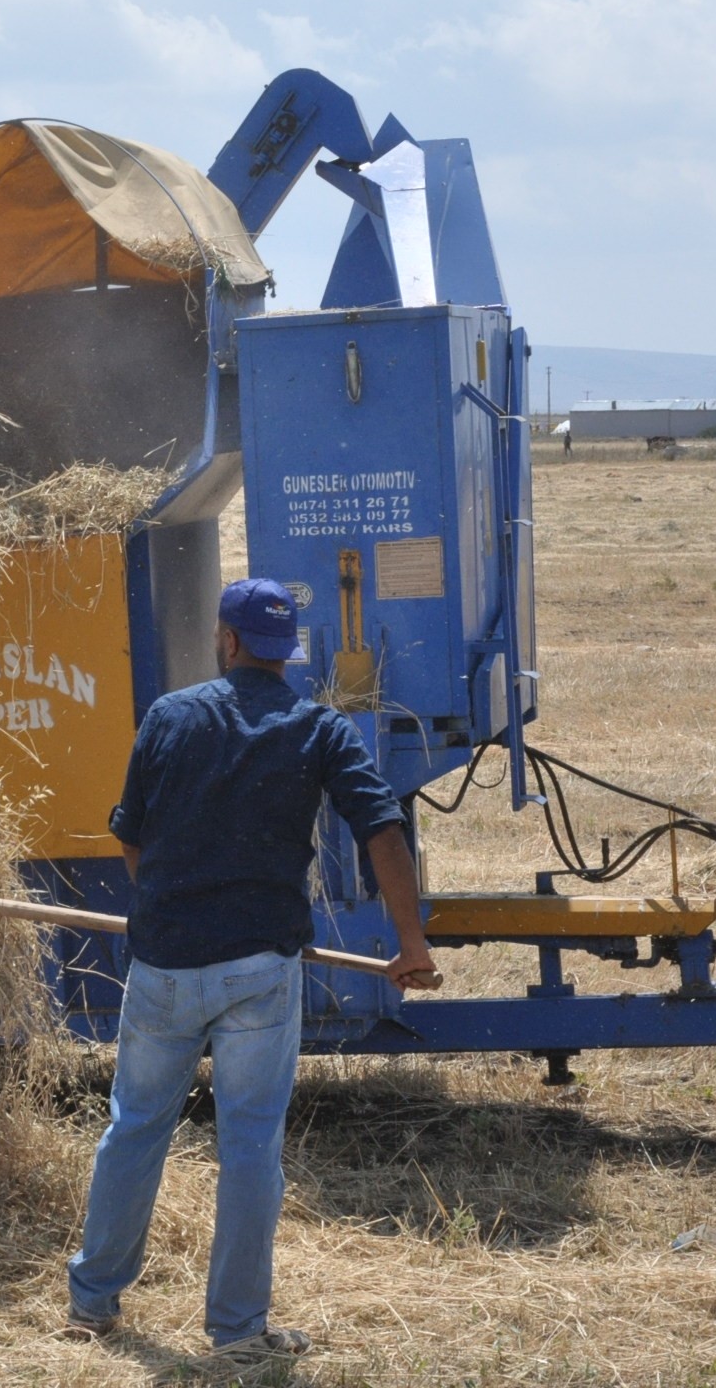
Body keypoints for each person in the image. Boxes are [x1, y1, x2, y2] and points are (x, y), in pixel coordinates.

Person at [65, 576, 439, 1361]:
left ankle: (92, 1304)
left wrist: (166, 901)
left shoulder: (170, 717)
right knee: (249, 1146)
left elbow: (130, 836)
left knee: (135, 1127)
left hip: (164, 965)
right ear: (285, 651)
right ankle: (237, 1332)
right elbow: (382, 829)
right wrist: (412, 944)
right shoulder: (319, 729)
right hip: (259, 971)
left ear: (228, 641)